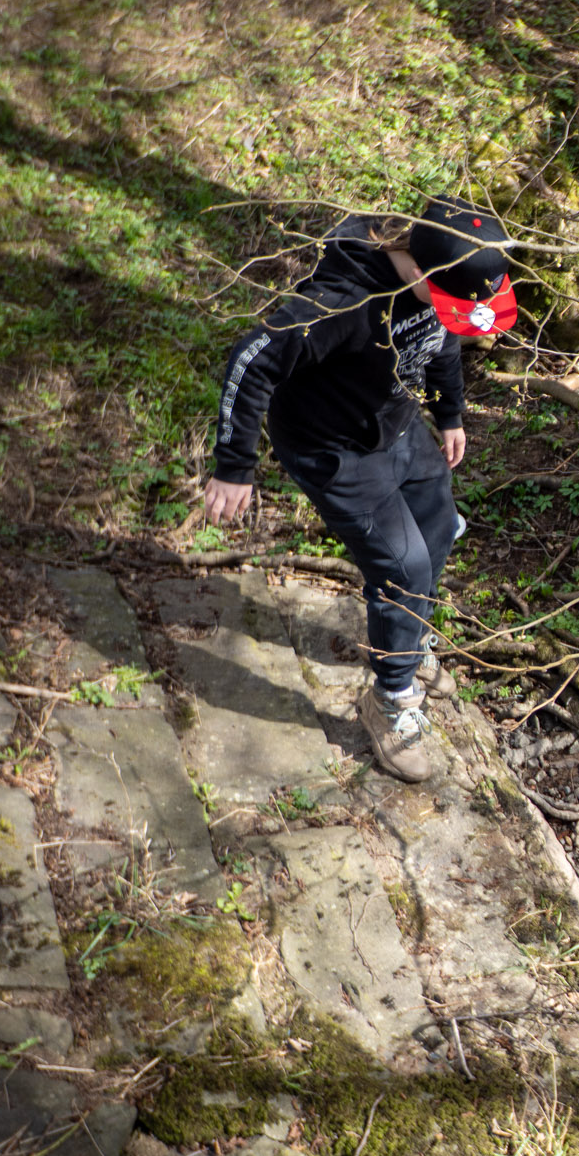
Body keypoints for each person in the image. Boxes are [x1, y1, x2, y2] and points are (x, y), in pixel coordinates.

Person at [202, 197, 516, 782]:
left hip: (394, 425)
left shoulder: (436, 290)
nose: (456, 317)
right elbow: (251, 358)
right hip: (334, 449)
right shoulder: (342, 304)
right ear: (421, 271)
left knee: (439, 527)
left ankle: (409, 642)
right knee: (403, 567)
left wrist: (450, 413)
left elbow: (445, 335)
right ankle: (390, 700)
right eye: (448, 301)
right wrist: (234, 464)